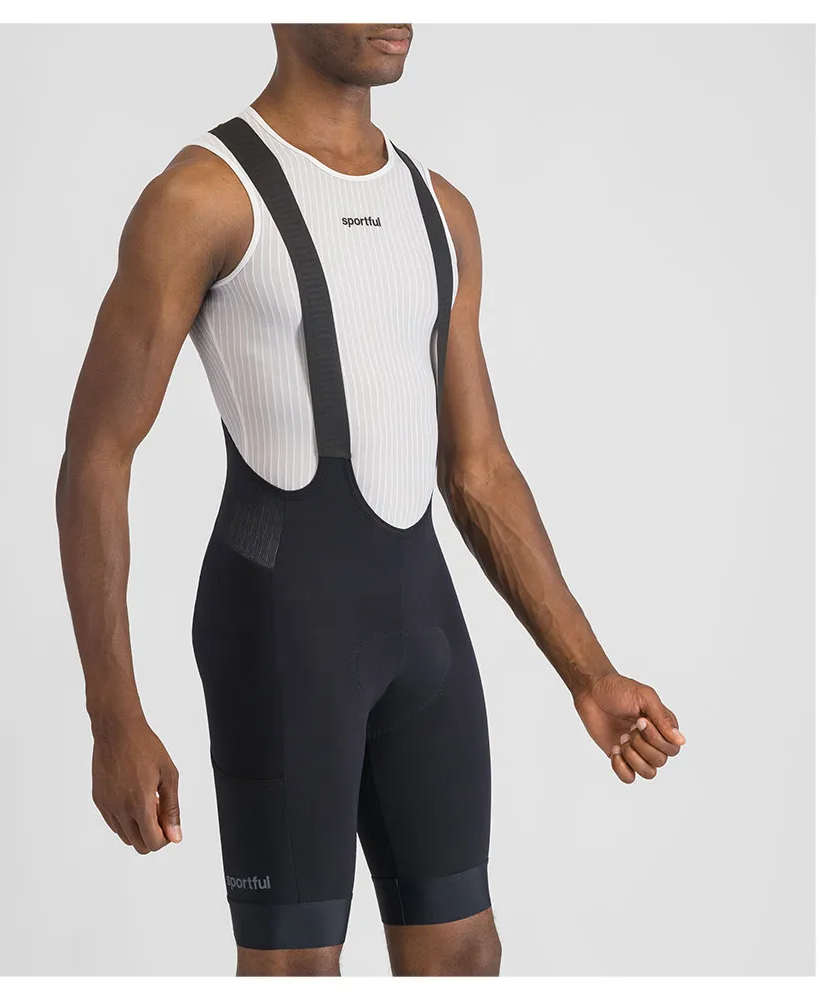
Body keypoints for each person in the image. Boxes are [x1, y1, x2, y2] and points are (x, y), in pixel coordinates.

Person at [56, 23, 686, 978]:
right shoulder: (203, 196)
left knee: (464, 955)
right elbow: (96, 458)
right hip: (280, 634)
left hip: (423, 634)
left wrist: (588, 672)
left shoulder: (440, 210)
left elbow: (478, 467)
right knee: (295, 971)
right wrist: (114, 714)